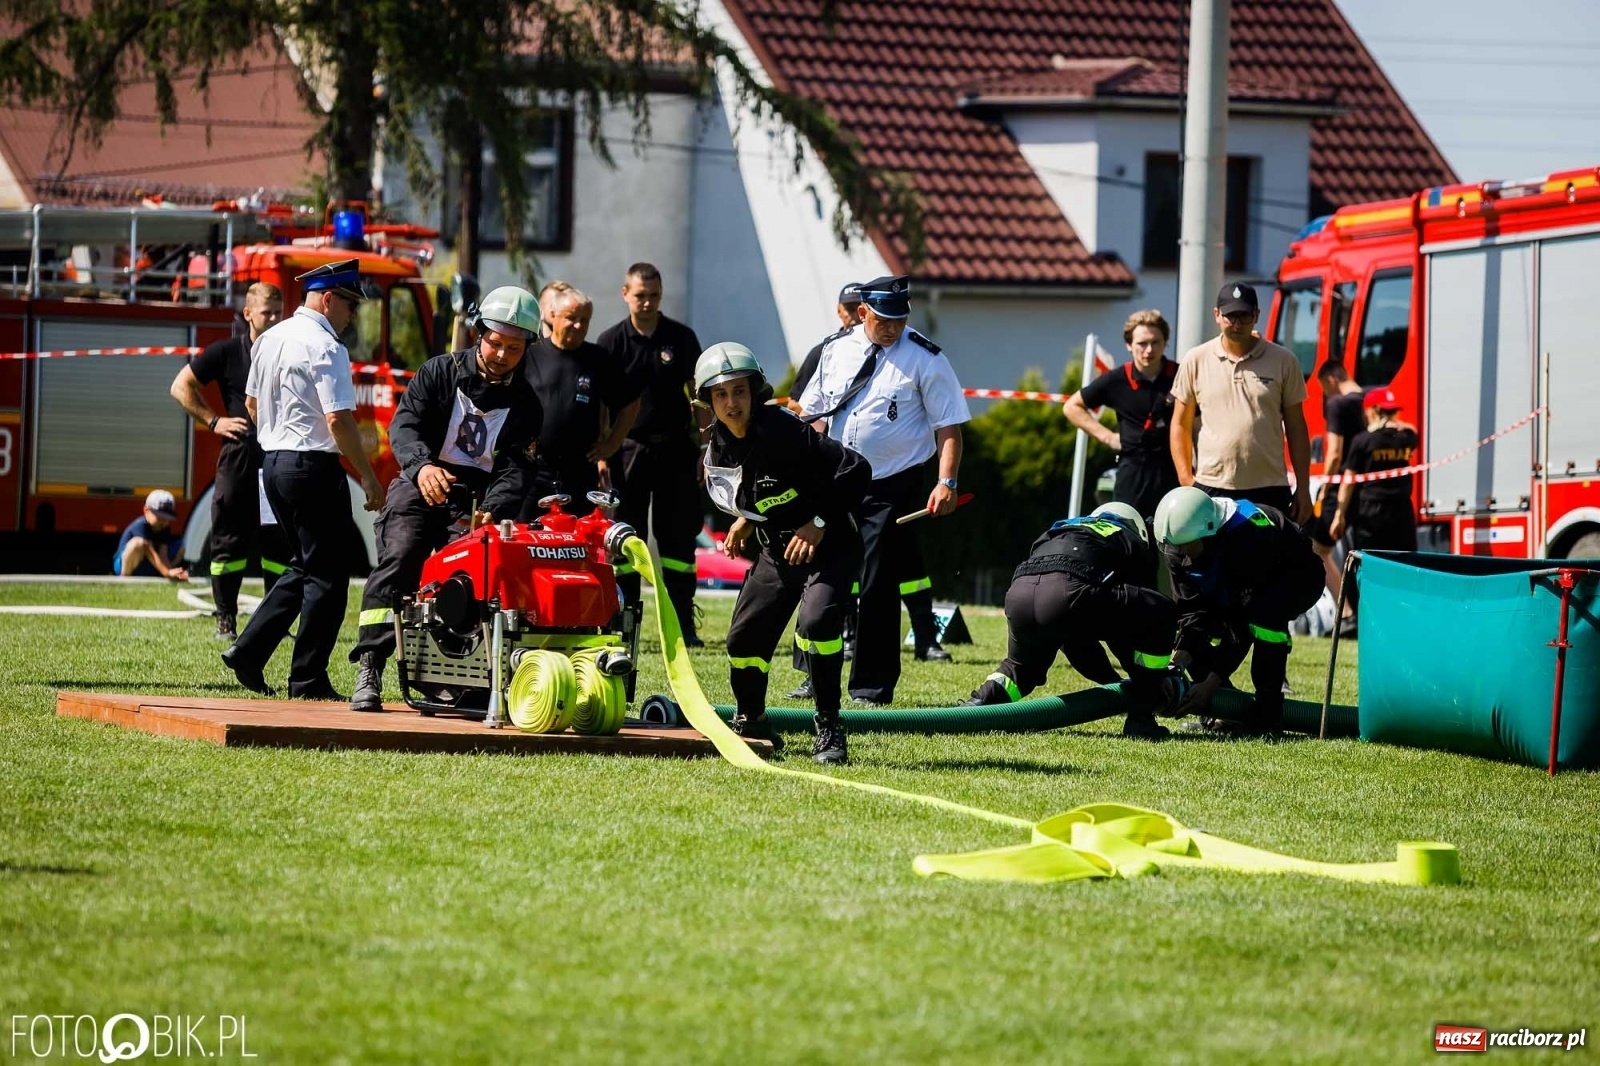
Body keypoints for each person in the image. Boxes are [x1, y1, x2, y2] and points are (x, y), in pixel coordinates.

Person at [348, 286, 545, 712]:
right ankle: (370, 666)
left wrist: (494, 509)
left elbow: (516, 469)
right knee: (401, 558)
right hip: (417, 490)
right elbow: (404, 428)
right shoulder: (437, 372)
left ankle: (464, 681)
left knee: (482, 581)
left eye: (514, 348)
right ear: (479, 334)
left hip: (475, 506)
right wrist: (422, 467)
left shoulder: (527, 405)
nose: (501, 355)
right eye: (495, 343)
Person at [797, 275, 971, 704]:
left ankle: (871, 687)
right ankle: (811, 674)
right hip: (837, 479)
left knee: (877, 581)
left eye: (899, 318)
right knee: (823, 576)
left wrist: (946, 481)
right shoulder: (834, 351)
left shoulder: (926, 358)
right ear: (862, 314)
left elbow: (948, 428)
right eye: (882, 319)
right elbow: (813, 414)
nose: (892, 327)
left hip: (891, 483)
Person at [699, 342, 871, 764]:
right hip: (776, 552)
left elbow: (857, 470)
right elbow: (758, 491)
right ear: (707, 402)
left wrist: (818, 523)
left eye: (739, 390)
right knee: (742, 639)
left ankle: (829, 728)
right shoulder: (717, 446)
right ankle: (752, 721)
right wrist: (745, 519)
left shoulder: (784, 430)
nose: (731, 402)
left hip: (830, 545)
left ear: (756, 390)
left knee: (815, 624)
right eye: (720, 394)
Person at [222, 259, 385, 700]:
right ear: (328, 299)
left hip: (274, 463)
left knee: (306, 566)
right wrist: (369, 478)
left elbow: (252, 403)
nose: (352, 316)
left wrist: (278, 439)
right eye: (350, 306)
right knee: (329, 579)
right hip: (312, 467)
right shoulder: (327, 347)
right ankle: (307, 679)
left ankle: (248, 650)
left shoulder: (270, 337)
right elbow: (338, 419)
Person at [961, 502, 1181, 740]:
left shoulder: (1062, 529)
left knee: (1021, 670)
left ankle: (977, 704)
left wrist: (1114, 682)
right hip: (1068, 592)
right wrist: (1149, 685)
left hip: (1019, 593)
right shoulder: (1128, 539)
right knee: (1162, 610)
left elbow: (1075, 638)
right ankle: (1142, 720)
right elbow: (1131, 630)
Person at [1153, 485, 1324, 734]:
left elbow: (1241, 626)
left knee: (1265, 622)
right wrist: (1176, 664)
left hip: (1295, 577)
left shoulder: (1247, 538)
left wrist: (1211, 682)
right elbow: (1193, 615)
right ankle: (1226, 712)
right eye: (1173, 547)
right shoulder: (1178, 542)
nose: (1180, 555)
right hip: (1234, 577)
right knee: (1192, 638)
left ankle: (1268, 718)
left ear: (1208, 534)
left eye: (1185, 546)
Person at [595, 263, 706, 644]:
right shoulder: (610, 343)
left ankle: (682, 627)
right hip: (628, 453)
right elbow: (600, 404)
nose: (647, 302)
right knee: (626, 539)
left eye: (654, 295)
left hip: (675, 450)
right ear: (625, 293)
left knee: (677, 542)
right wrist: (602, 452)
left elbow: (700, 394)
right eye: (640, 295)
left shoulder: (681, 338)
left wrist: (706, 447)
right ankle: (624, 622)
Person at [169, 282, 287, 639]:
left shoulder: (288, 351)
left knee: (278, 542)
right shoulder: (226, 352)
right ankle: (226, 619)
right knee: (228, 542)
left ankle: (275, 622)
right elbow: (180, 386)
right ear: (248, 313)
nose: (274, 319)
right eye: (267, 312)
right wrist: (215, 421)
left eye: (279, 313)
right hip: (239, 456)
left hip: (277, 458)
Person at [1171, 282, 1313, 524]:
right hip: (1211, 487)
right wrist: (1187, 481)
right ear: (1217, 315)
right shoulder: (1195, 359)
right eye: (1230, 316)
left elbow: (1297, 428)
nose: (1237, 324)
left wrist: (1303, 487)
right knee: (1214, 562)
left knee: (1267, 562)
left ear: (1256, 316)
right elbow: (1180, 425)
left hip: (1269, 488)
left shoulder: (1284, 360)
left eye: (1244, 316)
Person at [518, 283, 640, 518]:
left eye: (585, 320)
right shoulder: (530, 353)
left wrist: (611, 444)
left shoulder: (598, 359)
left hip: (579, 472)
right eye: (572, 318)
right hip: (534, 470)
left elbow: (630, 403)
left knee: (578, 542)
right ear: (552, 315)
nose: (579, 325)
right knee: (526, 540)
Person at [1063, 309, 1180, 518]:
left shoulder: (1180, 375)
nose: (1149, 350)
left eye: (1156, 342)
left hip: (1173, 471)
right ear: (1129, 345)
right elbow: (1072, 406)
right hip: (1132, 472)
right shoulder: (1117, 379)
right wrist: (1107, 437)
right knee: (1127, 538)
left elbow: (1199, 420)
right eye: (1142, 344)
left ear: (1165, 343)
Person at [1307, 361, 1367, 632]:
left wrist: (1325, 485)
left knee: (1317, 549)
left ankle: (1346, 614)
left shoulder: (1338, 405)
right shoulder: (1367, 401)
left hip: (1341, 487)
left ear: (1331, 379)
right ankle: (1356, 611)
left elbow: (1334, 453)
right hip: (1366, 489)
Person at [1330, 385, 1419, 556]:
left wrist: (1339, 515)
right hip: (1402, 511)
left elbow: (1348, 483)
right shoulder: (1406, 437)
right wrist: (1393, 421)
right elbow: (1412, 430)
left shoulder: (1363, 441)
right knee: (1405, 562)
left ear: (1371, 411)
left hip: (1371, 513)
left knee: (1372, 561)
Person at [785, 282, 863, 411]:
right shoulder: (822, 353)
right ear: (839, 310)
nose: (856, 315)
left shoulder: (886, 349)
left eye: (860, 308)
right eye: (850, 309)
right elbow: (794, 405)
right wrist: (824, 424)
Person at [113, 489, 190, 582]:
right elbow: (149, 550)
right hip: (126, 564)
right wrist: (167, 572)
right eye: (160, 517)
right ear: (146, 510)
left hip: (147, 564)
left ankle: (164, 576)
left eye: (167, 519)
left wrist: (171, 572)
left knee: (181, 546)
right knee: (138, 543)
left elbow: (163, 554)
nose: (164, 522)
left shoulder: (164, 528)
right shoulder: (141, 525)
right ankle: (124, 577)